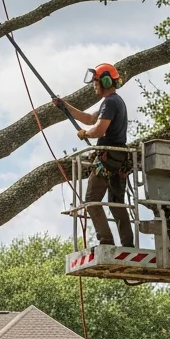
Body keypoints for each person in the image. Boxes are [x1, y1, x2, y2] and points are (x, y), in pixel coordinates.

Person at [60, 62, 134, 248]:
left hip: (108, 160)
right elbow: (90, 119)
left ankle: (106, 241)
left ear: (106, 81)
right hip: (119, 159)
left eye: (96, 81)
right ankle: (128, 244)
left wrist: (86, 133)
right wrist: (65, 106)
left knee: (92, 200)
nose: (94, 85)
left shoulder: (110, 102)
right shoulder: (115, 102)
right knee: (116, 203)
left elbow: (99, 129)